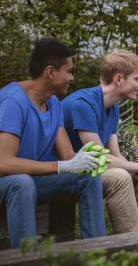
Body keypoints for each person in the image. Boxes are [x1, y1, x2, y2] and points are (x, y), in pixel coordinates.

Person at [0, 38, 106, 248]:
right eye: (68, 71)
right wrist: (61, 166)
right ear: (50, 72)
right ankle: (28, 261)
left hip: (34, 181)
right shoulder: (12, 102)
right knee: (21, 182)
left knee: (89, 178)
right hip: (9, 183)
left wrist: (82, 156)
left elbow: (67, 156)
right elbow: (4, 164)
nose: (71, 77)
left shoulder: (53, 103)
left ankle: (97, 254)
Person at [62, 49, 138, 234]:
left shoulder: (113, 108)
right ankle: (133, 248)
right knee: (120, 177)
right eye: (137, 79)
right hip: (65, 172)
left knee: (131, 176)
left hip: (89, 170)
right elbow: (100, 156)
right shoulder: (83, 104)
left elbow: (115, 155)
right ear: (119, 79)